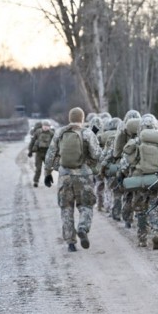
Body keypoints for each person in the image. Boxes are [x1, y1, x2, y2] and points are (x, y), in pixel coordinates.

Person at [44, 107, 101, 252]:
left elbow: (50, 154)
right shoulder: (87, 133)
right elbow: (96, 155)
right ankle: (82, 228)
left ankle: (70, 242)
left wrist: (48, 173)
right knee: (86, 206)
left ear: (70, 118)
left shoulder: (60, 132)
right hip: (83, 177)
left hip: (65, 176)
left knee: (66, 209)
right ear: (82, 119)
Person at [118, 114, 158, 249]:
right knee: (155, 208)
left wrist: (122, 175)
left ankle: (142, 239)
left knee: (140, 211)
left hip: (139, 181)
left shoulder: (136, 142)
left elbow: (125, 163)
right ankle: (156, 232)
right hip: (157, 180)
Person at [28, 119, 54, 187]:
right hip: (39, 153)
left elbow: (55, 144)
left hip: (47, 153)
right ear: (42, 126)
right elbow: (32, 141)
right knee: (38, 168)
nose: (45, 127)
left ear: (49, 127)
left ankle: (48, 181)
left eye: (47, 126)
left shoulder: (52, 134)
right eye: (44, 126)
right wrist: (30, 151)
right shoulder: (38, 132)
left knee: (48, 168)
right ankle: (36, 181)